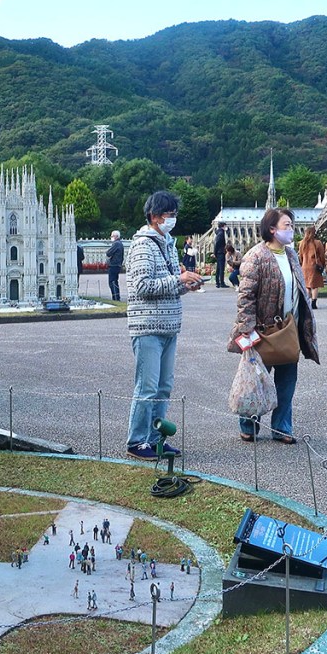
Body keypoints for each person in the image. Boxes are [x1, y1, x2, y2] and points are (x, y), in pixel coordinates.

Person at [228, 208, 320, 444]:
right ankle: (249, 424)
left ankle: (282, 427)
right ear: (272, 229)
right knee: (257, 380)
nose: (292, 229)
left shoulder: (290, 255)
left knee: (287, 381)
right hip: (264, 330)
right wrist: (248, 327)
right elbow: (245, 295)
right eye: (287, 225)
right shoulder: (255, 256)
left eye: (291, 224)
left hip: (290, 328)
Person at [125, 190, 203, 460]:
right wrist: (178, 281)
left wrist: (185, 286)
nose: (173, 219)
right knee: (146, 387)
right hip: (147, 327)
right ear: (155, 217)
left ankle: (156, 438)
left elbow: (169, 285)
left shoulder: (167, 243)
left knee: (164, 387)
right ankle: (137, 441)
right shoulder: (143, 245)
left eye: (174, 214)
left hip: (170, 326)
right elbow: (142, 286)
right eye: (169, 215)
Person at [297, 225, 326, 310]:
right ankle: (314, 303)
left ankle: (307, 302)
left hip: (305, 266)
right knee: (314, 286)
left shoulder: (301, 243)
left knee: (307, 286)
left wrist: (303, 263)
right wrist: (322, 264)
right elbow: (322, 256)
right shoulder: (317, 243)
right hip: (314, 266)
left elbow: (300, 256)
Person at [106, 230, 124, 301]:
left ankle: (116, 297)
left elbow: (108, 253)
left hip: (114, 265)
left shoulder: (116, 243)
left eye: (112, 236)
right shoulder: (120, 243)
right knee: (115, 281)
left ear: (116, 236)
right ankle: (116, 297)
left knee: (112, 282)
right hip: (117, 265)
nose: (111, 237)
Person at [213, 222, 228, 288]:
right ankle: (221, 283)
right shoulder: (221, 233)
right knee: (221, 268)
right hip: (221, 253)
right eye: (225, 226)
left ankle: (218, 282)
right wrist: (215, 253)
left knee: (218, 268)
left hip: (219, 252)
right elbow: (217, 244)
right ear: (223, 226)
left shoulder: (218, 233)